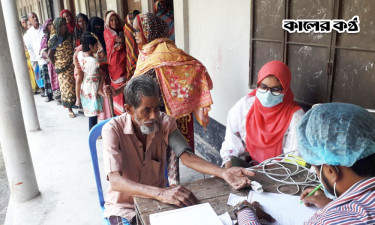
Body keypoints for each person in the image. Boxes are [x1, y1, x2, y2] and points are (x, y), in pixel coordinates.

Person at [102, 75, 254, 225]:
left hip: (158, 203)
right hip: (123, 209)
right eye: (146, 110)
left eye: (156, 108)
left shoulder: (165, 122)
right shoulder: (112, 130)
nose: (154, 116)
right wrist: (161, 193)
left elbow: (186, 156)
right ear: (128, 109)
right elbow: (116, 181)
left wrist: (223, 172)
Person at [236, 102, 375, 225]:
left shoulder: (325, 221)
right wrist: (330, 204)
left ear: (331, 171)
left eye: (315, 169)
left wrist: (244, 211)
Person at [132, 12, 213, 185]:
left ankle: (169, 188)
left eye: (138, 30)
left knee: (170, 153)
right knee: (158, 157)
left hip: (165, 115)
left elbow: (195, 67)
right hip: (154, 113)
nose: (135, 34)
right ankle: (163, 186)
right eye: (134, 31)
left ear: (149, 31)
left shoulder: (164, 51)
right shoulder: (146, 52)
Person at [220, 61, 304, 168]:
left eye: (276, 89)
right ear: (258, 84)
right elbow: (231, 144)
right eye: (263, 87)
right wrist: (229, 170)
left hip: (280, 173)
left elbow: (293, 159)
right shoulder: (245, 106)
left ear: (286, 89)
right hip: (248, 165)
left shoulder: (295, 117)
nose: (268, 94)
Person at [48, 17, 76, 118]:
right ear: (57, 27)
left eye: (65, 24)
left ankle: (76, 104)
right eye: (61, 25)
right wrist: (57, 66)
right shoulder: (55, 38)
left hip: (72, 65)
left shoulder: (68, 36)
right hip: (62, 68)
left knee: (75, 85)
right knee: (66, 88)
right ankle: (70, 109)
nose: (64, 27)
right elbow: (50, 55)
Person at [76, 32, 104, 130]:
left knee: (91, 111)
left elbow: (77, 53)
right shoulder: (93, 61)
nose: (97, 48)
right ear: (90, 46)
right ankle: (93, 131)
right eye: (96, 46)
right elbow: (98, 71)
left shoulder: (80, 55)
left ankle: (92, 130)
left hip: (85, 85)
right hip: (93, 86)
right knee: (93, 113)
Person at [104, 12, 129, 115]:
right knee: (118, 84)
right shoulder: (108, 31)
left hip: (123, 61)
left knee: (125, 84)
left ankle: (124, 109)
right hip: (115, 63)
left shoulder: (120, 30)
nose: (114, 22)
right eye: (111, 20)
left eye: (115, 20)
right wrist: (123, 36)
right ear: (108, 22)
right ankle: (120, 111)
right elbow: (120, 39)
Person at [24, 12, 45, 94]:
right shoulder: (28, 34)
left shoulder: (44, 27)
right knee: (38, 74)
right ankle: (43, 89)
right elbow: (30, 47)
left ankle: (49, 90)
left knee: (46, 74)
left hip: (46, 56)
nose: (35, 18)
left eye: (35, 16)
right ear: (29, 20)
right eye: (32, 17)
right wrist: (38, 54)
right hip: (35, 57)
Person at [39, 18, 54, 102]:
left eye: (52, 24)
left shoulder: (57, 35)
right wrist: (49, 58)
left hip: (57, 60)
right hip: (48, 60)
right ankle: (49, 95)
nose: (51, 26)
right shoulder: (45, 38)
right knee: (47, 77)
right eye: (49, 24)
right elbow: (42, 50)